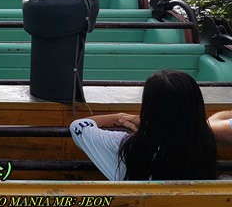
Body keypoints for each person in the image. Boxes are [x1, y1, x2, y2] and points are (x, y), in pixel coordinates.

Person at [69, 69, 217, 181]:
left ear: (149, 107)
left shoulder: (126, 146)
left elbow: (78, 127)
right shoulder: (205, 143)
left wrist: (117, 118)